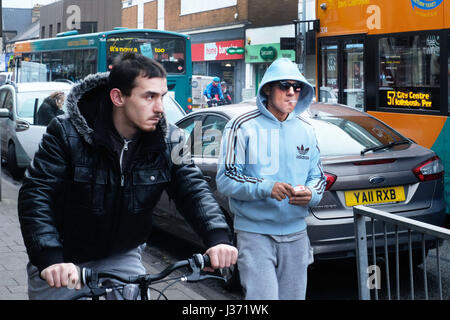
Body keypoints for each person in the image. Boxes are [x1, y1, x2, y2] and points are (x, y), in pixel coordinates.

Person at [18, 53, 238, 300]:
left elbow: (192, 188)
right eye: (149, 97)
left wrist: (217, 238)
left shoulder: (170, 140)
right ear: (118, 97)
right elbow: (36, 195)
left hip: (121, 255)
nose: (159, 108)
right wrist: (49, 258)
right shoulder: (65, 133)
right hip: (63, 258)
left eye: (162, 96)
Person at [216, 58, 326, 300]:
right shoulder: (241, 126)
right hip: (255, 234)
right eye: (284, 85)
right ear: (267, 88)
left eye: (297, 87)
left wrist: (311, 194)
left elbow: (317, 176)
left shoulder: (307, 130)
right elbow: (226, 179)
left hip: (297, 234)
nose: (291, 92)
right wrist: (266, 188)